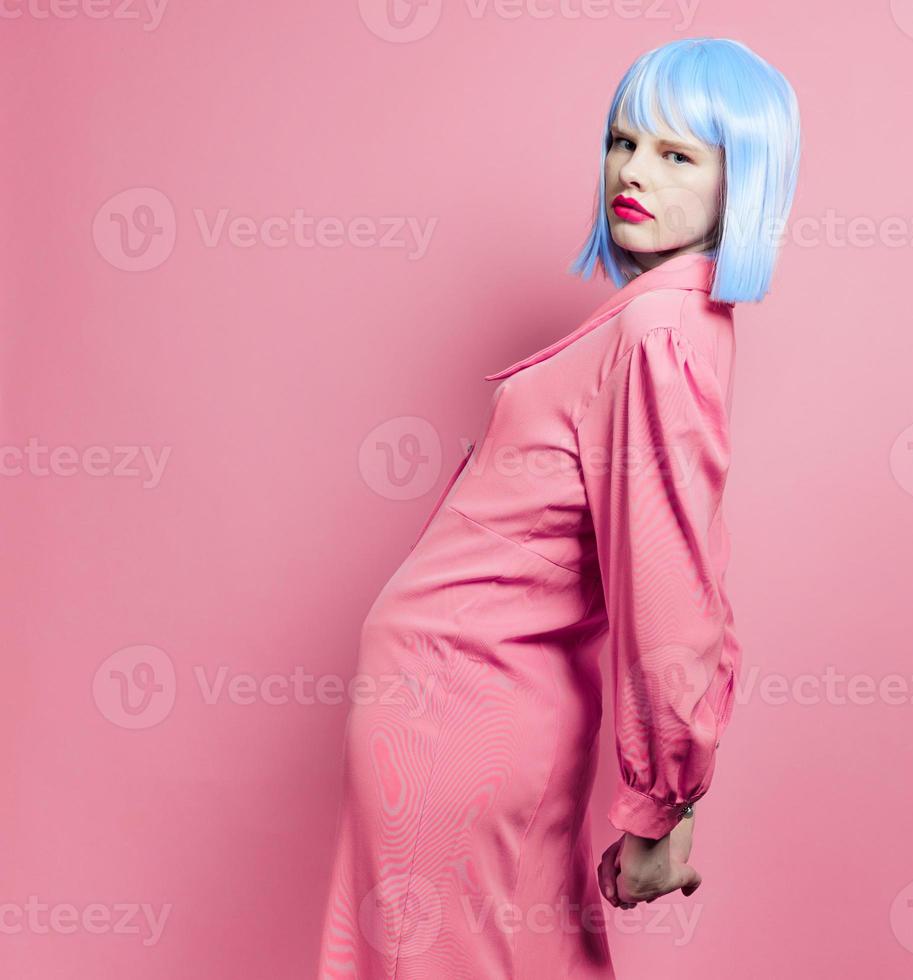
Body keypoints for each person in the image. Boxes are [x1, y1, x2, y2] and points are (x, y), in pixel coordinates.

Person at [317, 37, 801, 979]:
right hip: (455, 713)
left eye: (677, 154)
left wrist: (665, 801)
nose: (632, 172)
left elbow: (669, 585)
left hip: (468, 720)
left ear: (743, 179)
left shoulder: (660, 331)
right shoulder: (658, 324)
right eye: (623, 142)